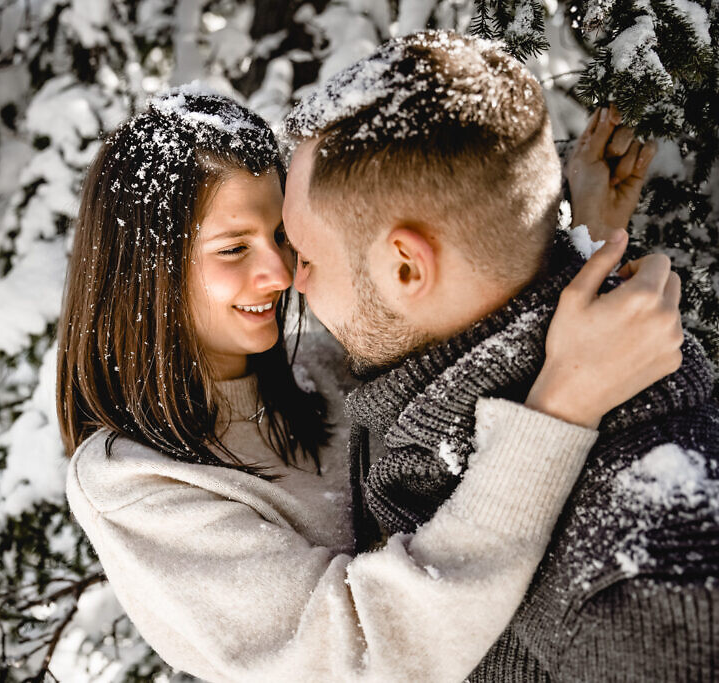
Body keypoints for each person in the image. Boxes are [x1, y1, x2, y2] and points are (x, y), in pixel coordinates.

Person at [58, 86, 681, 682]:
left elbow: (468, 335)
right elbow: (370, 651)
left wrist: (586, 237)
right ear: (146, 268)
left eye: (280, 236)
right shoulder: (132, 481)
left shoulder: (324, 369)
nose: (279, 273)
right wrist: (565, 408)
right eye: (233, 249)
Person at [282, 30, 718, 680]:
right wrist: (585, 243)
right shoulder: (426, 368)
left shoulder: (646, 571)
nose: (294, 279)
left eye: (308, 256)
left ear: (405, 269)